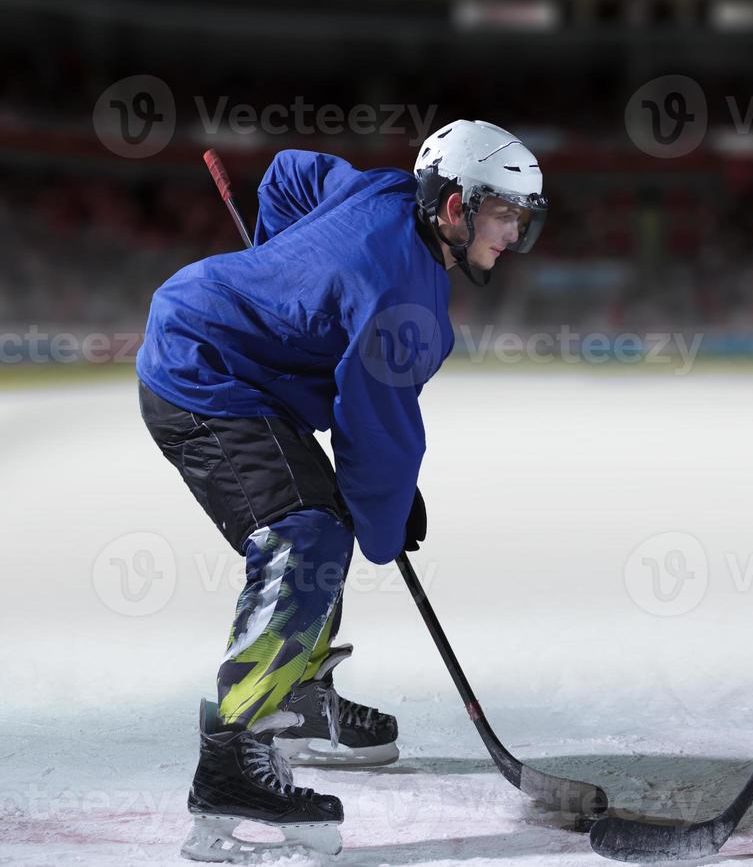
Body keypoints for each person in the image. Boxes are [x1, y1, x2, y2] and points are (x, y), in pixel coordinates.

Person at [136, 119, 547, 861]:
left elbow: (292, 173)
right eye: (505, 216)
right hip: (202, 372)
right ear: (454, 207)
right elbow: (376, 434)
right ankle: (232, 760)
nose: (512, 235)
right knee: (306, 532)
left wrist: (279, 265)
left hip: (231, 357)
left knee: (326, 515)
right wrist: (386, 520)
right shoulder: (406, 304)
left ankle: (296, 699)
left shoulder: (386, 191)